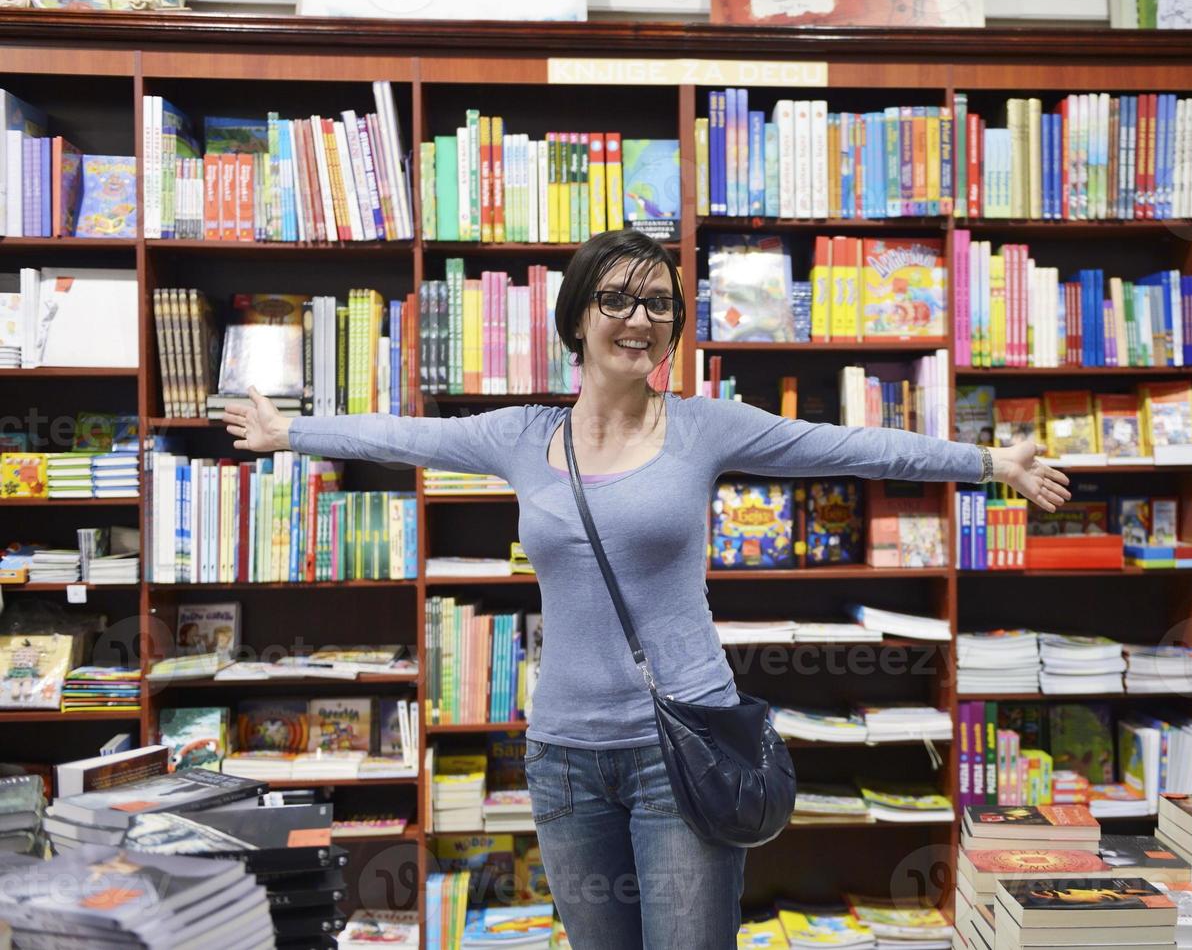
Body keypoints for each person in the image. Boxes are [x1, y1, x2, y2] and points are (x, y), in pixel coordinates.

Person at [224, 228, 1069, 949]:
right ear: (580, 316)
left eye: (660, 303)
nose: (641, 318)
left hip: (685, 749)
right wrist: (289, 431)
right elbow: (405, 434)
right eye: (620, 299)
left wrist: (989, 462)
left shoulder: (703, 426)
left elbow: (850, 446)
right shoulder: (521, 435)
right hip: (561, 759)